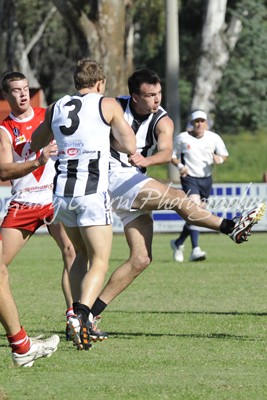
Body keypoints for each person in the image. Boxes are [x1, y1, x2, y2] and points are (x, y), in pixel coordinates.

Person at [88, 68, 265, 325]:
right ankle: (229, 226)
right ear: (134, 96)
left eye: (158, 93)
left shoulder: (163, 120)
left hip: (131, 182)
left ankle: (89, 314)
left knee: (141, 259)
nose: (157, 99)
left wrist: (146, 159)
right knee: (178, 197)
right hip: (111, 178)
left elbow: (166, 151)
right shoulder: (114, 106)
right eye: (149, 95)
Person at [30, 58, 137, 350]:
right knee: (100, 260)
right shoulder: (108, 105)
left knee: (78, 256)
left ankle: (78, 318)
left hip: (62, 194)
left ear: (77, 82)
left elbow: (37, 139)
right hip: (91, 193)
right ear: (100, 83)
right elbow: (130, 146)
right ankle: (81, 315)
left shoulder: (57, 106)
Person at [0, 72, 89, 340]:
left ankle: (74, 316)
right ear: (6, 96)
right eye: (16, 90)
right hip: (25, 202)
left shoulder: (47, 115)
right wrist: (38, 161)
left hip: (54, 198)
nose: (23, 94)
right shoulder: (5, 129)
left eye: (25, 88)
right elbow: (4, 171)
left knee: (72, 251)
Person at [170, 110, 229, 262]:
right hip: (189, 178)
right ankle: (195, 249)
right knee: (196, 210)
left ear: (206, 123)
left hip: (206, 180)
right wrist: (180, 167)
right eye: (197, 121)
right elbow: (173, 156)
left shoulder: (213, 137)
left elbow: (224, 155)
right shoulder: (182, 138)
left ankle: (178, 243)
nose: (199, 124)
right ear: (192, 123)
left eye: (202, 121)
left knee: (197, 214)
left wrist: (219, 160)